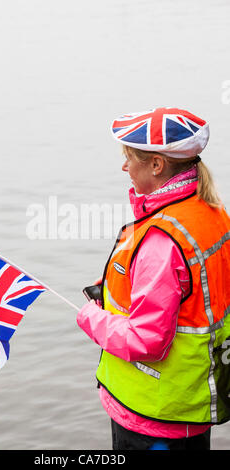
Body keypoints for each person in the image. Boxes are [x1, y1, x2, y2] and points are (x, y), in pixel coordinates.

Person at [77, 107, 230, 451]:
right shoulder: (211, 210)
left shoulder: (161, 241)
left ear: (157, 165)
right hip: (191, 401)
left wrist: (91, 318)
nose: (124, 167)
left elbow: (147, 341)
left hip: (154, 414)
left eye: (130, 158)